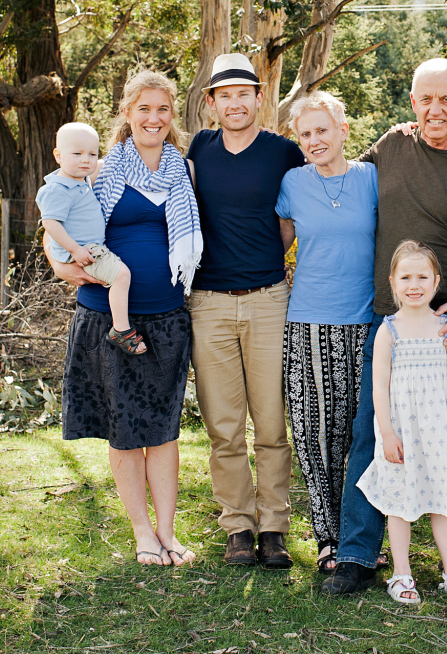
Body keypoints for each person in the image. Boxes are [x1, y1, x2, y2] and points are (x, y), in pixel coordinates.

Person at [323, 58, 447, 595]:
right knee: (375, 433)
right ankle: (359, 552)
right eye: (425, 99)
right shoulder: (390, 147)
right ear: (411, 104)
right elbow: (344, 182)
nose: (435, 109)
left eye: (446, 99)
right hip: (392, 323)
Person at [46, 69, 202, 567]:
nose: (153, 118)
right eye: (143, 109)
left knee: (163, 429)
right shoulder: (99, 169)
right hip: (107, 321)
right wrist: (77, 273)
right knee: (123, 429)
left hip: (168, 318)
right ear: (127, 114)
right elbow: (57, 240)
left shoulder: (184, 169)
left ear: (171, 115)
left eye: (162, 109)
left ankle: (168, 532)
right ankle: (141, 532)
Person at [187, 53, 305, 568]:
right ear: (212, 104)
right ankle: (237, 524)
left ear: (260, 97)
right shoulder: (199, 148)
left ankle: (274, 525)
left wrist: (267, 259)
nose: (235, 103)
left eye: (244, 94)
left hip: (268, 300)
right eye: (224, 96)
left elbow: (296, 216)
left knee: (272, 422)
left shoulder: (285, 152)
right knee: (224, 423)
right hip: (208, 302)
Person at [276, 91, 377, 573]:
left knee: (362, 432)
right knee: (315, 435)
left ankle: (361, 536)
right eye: (306, 134)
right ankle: (327, 538)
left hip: (366, 325)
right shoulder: (293, 183)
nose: (314, 140)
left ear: (343, 131)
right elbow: (273, 245)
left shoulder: (372, 179)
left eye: (322, 130)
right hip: (308, 323)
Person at [356, 241, 447, 605]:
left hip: (437, 432)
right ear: (393, 283)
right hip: (402, 433)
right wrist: (387, 433)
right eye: (406, 277)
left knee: (444, 502)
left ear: (436, 281)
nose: (414, 284)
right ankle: (401, 574)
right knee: (400, 503)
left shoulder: (446, 328)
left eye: (422, 277)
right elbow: (378, 385)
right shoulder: (388, 330)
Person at [38, 122, 144, 355]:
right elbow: (50, 223)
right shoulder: (58, 188)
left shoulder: (82, 179)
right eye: (77, 154)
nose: (86, 160)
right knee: (121, 275)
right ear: (58, 156)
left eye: (92, 154)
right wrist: (74, 250)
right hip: (84, 248)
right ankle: (121, 329)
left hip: (88, 245)